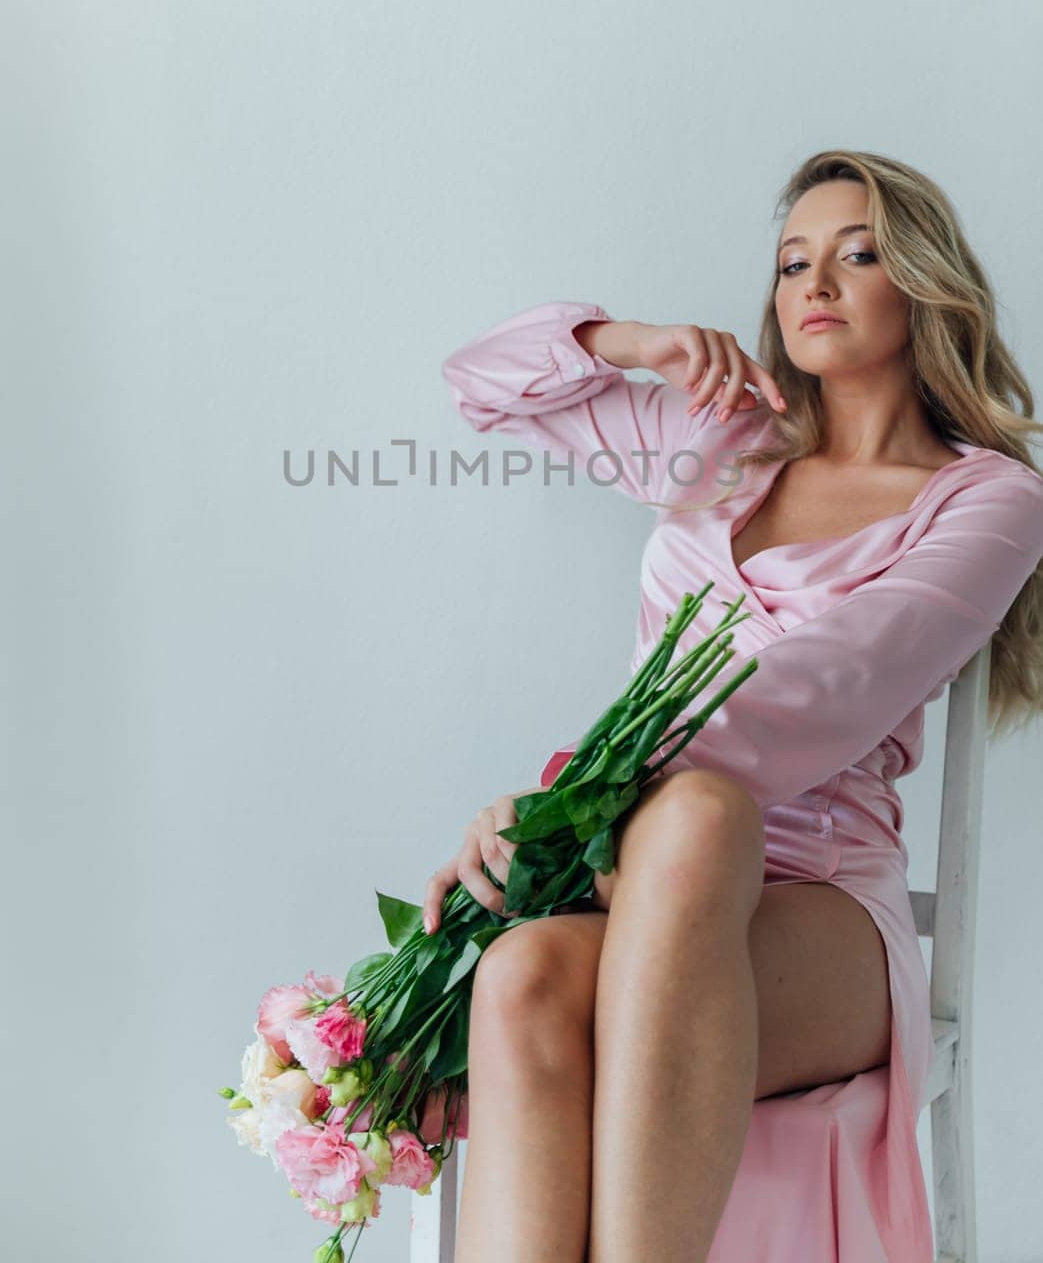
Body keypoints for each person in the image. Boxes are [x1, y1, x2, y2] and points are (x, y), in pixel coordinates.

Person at [425, 149, 1043, 1263]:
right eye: (790, 263)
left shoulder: (989, 501)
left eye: (855, 255)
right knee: (517, 976)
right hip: (634, 872)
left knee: (704, 812)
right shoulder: (724, 448)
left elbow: (829, 681)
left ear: (918, 280)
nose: (814, 283)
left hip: (817, 909)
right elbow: (476, 380)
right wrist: (636, 345)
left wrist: (569, 802)